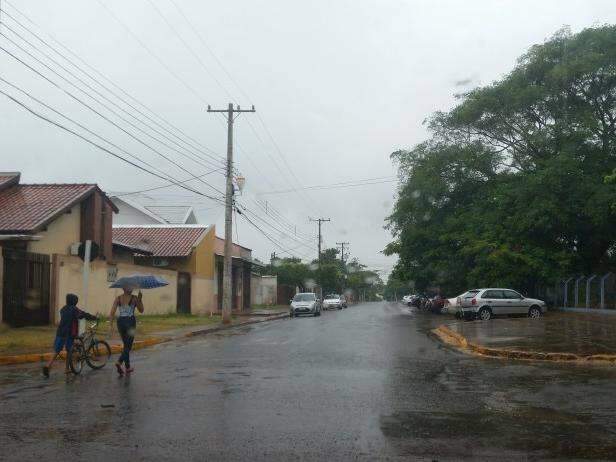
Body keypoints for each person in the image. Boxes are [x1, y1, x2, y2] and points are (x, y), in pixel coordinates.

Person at [43, 293, 97, 377]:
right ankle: (67, 369)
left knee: (56, 350)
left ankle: (48, 365)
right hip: (69, 333)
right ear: (74, 301)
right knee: (69, 351)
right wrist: (94, 317)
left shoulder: (63, 309)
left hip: (60, 332)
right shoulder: (74, 309)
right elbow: (83, 314)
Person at [109, 287, 144, 376]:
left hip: (120, 322)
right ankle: (119, 361)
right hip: (130, 322)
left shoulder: (118, 298)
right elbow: (141, 310)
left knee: (126, 344)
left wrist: (110, 324)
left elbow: (112, 311)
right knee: (129, 345)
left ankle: (127, 367)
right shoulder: (135, 298)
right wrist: (140, 299)